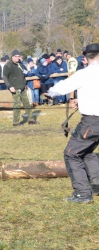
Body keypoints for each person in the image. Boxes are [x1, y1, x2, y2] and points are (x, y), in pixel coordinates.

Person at [48, 43, 99, 203]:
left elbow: (60, 88)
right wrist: (81, 100)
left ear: (85, 57)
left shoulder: (84, 73)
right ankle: (97, 184)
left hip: (93, 121)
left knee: (71, 154)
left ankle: (82, 194)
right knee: (87, 151)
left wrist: (49, 94)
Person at [3, 50, 38, 126]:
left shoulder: (21, 64)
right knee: (17, 105)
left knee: (27, 104)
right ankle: (16, 122)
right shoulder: (8, 65)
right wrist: (10, 86)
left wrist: (25, 84)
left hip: (22, 87)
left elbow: (24, 73)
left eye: (19, 56)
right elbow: (5, 77)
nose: (19, 58)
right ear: (13, 57)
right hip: (14, 88)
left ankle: (31, 120)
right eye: (17, 56)